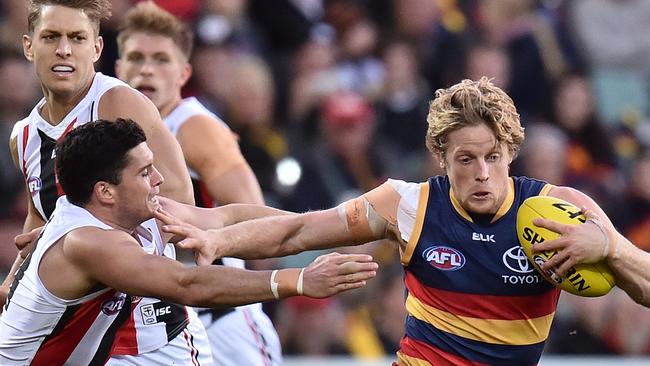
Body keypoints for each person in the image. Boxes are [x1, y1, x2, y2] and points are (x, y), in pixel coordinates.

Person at [159, 77, 625, 365]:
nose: (482, 173)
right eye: (465, 158)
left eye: (493, 157)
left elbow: (643, 284)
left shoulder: (558, 208)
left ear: (512, 153)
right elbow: (296, 229)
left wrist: (609, 248)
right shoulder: (407, 205)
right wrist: (217, 239)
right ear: (441, 157)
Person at [0, 118, 377, 365]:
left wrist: (334, 227)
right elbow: (187, 283)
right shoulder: (87, 242)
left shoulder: (137, 211)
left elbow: (228, 219)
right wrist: (297, 281)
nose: (160, 179)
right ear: (106, 192)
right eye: (146, 172)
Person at [113, 3, 278, 365]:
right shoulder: (109, 133)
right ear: (117, 68)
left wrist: (188, 234)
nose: (146, 69)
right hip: (154, 316)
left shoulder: (194, 127)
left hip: (219, 317)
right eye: (136, 58)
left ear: (184, 72)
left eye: (161, 59)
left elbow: (257, 221)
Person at [1, 0, 192, 301]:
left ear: (96, 49)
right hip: (74, 325)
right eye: (50, 37)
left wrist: (84, 247)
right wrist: (9, 289)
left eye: (77, 38)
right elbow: (38, 222)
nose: (64, 49)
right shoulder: (23, 136)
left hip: (144, 324)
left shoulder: (118, 104)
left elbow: (180, 203)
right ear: (28, 46)